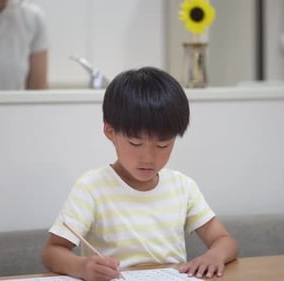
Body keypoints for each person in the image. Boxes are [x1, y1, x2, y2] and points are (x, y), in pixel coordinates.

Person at [41, 67, 239, 281]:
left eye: (162, 145)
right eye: (135, 143)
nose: (148, 158)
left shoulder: (182, 187)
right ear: (110, 131)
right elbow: (52, 252)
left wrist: (214, 255)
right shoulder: (92, 188)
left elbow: (224, 240)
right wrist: (83, 267)